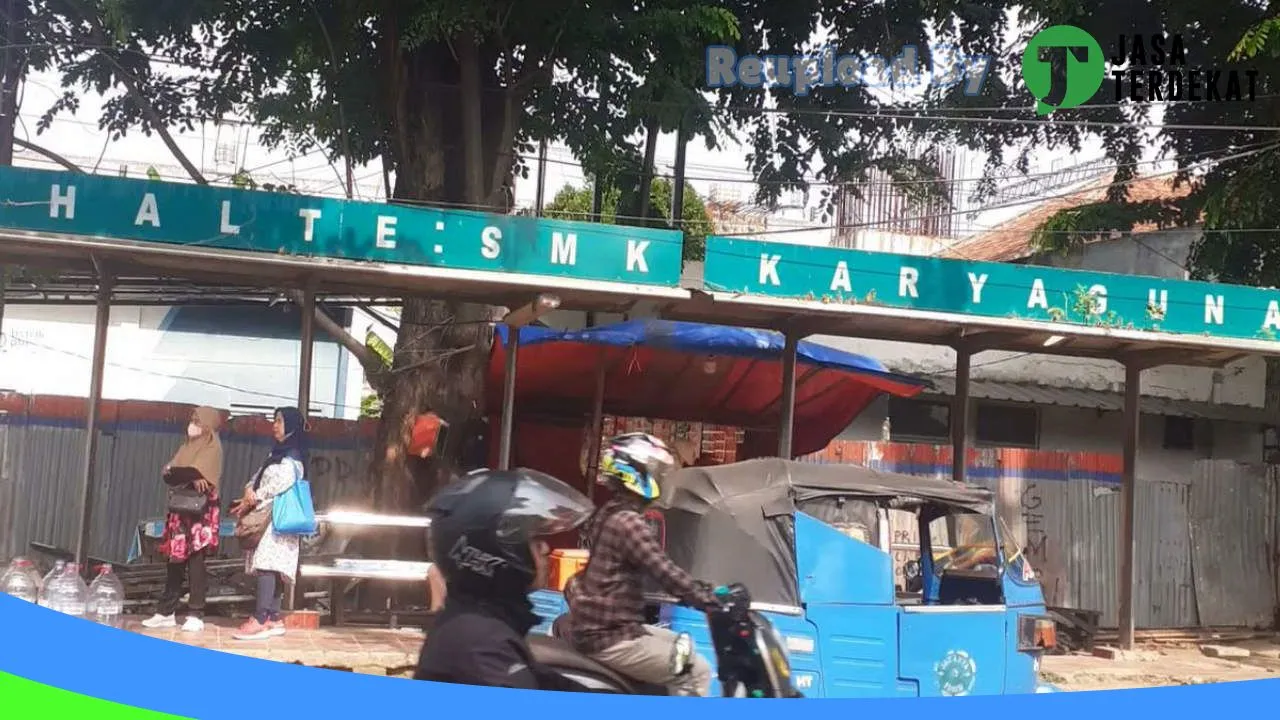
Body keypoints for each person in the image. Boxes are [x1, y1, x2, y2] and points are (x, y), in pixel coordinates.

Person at [567, 433, 720, 697]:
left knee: (683, 644)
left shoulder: (610, 511)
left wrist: (702, 591)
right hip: (609, 636)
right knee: (697, 669)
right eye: (656, 471)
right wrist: (709, 599)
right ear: (636, 474)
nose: (661, 478)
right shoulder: (629, 522)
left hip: (609, 626)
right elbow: (665, 572)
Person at [413, 467, 594, 691]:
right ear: (493, 550)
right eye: (532, 539)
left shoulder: (481, 624)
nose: (545, 548)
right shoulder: (480, 645)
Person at [142, 406, 224, 633]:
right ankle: (166, 611)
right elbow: (171, 470)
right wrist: (186, 473)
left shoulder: (212, 446)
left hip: (200, 511)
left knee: (196, 560)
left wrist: (196, 474)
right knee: (174, 559)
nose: (193, 424)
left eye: (198, 420)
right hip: (181, 508)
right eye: (193, 419)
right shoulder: (186, 446)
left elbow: (205, 476)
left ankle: (196, 613)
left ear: (208, 424)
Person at [230, 407, 306, 641]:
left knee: (268, 566)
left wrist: (255, 496)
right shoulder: (276, 454)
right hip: (268, 517)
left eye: (280, 421)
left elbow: (279, 484)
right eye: (275, 420)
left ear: (292, 426)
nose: (275, 425)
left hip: (277, 520)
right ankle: (272, 617)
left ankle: (261, 618)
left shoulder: (294, 457)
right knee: (270, 567)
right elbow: (257, 477)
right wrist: (248, 490)